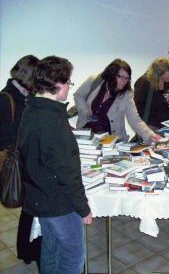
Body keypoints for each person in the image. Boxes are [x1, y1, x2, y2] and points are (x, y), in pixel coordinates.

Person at [18, 56, 92, 273]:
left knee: (51, 248)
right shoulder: (52, 120)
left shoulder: (31, 109)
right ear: (58, 84)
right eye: (69, 82)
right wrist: (83, 208)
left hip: (39, 196)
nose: (69, 87)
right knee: (73, 255)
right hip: (58, 202)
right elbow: (67, 172)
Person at [0, 55, 42, 270]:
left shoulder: (27, 95)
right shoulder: (7, 98)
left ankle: (27, 249)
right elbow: (4, 136)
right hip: (18, 161)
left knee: (30, 206)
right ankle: (28, 250)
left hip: (28, 159)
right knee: (29, 206)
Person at [74, 59, 161, 142]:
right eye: (120, 77)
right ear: (112, 74)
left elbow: (135, 120)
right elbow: (78, 95)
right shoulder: (95, 80)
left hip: (110, 140)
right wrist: (85, 111)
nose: (124, 81)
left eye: (127, 78)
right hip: (87, 135)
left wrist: (150, 135)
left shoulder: (126, 95)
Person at [134, 57, 169, 129]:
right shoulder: (144, 82)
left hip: (165, 122)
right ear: (159, 74)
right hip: (149, 123)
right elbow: (137, 107)